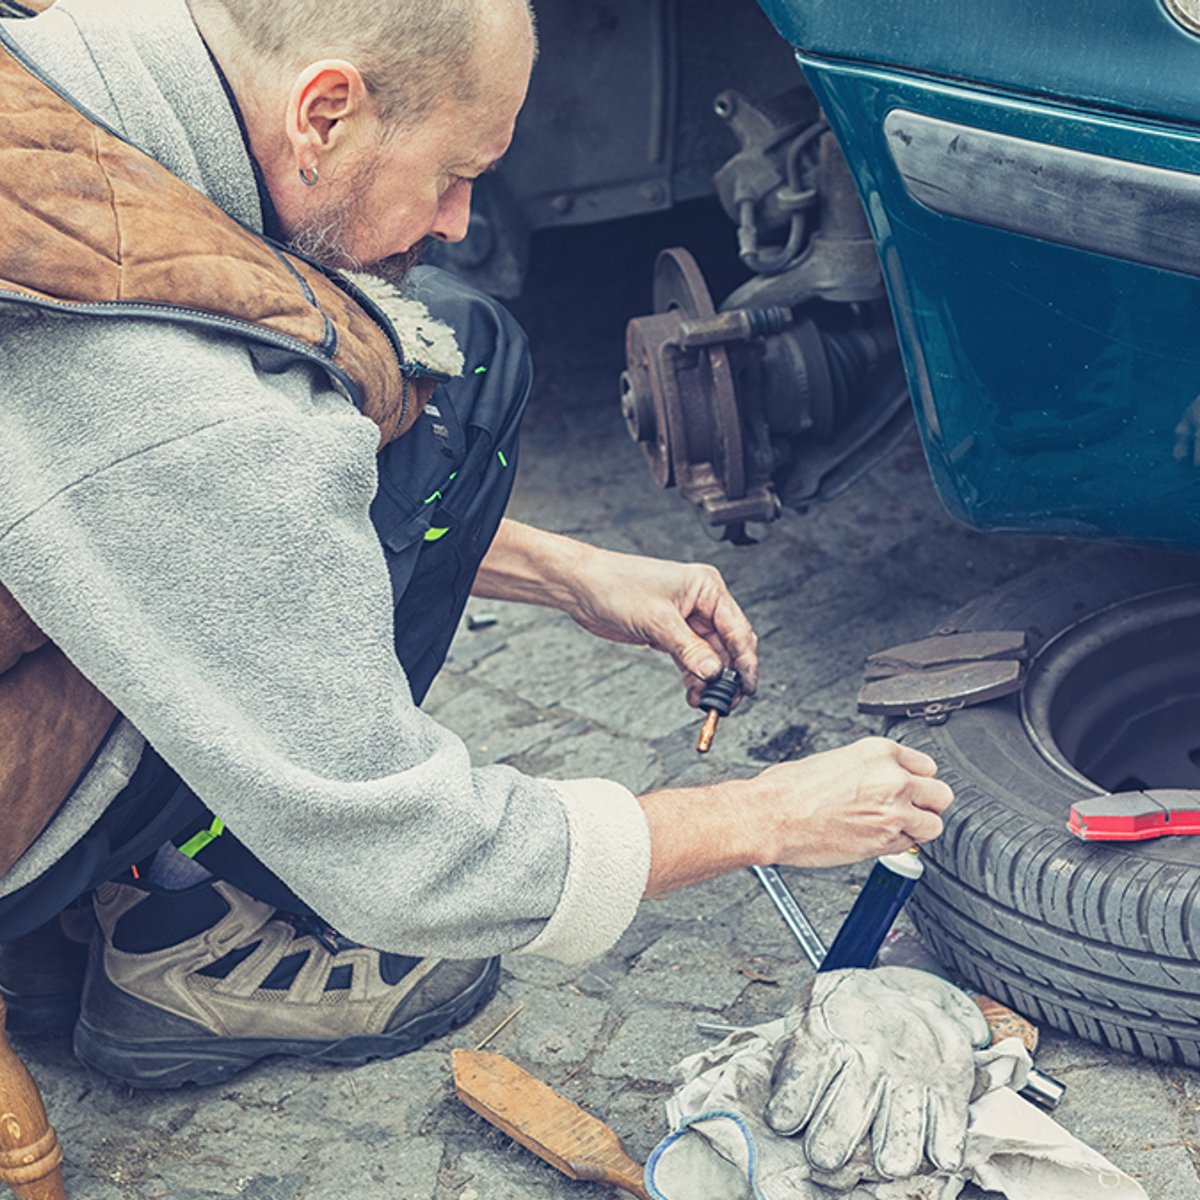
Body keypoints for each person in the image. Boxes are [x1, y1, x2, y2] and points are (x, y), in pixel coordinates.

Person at [0, 0, 952, 1089]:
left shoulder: (54, 62)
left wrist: (569, 572)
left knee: (438, 331)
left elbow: (152, 514)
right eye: (455, 173)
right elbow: (409, 859)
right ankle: (179, 924)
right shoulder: (182, 392)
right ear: (324, 113)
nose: (460, 218)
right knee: (455, 360)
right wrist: (766, 815)